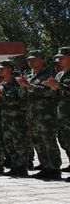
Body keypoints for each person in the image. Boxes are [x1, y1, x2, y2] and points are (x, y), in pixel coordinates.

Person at [19, 50, 61, 180]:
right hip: (32, 115)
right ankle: (45, 167)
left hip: (46, 115)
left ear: (42, 59)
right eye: (29, 60)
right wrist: (23, 88)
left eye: (34, 59)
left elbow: (50, 92)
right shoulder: (28, 75)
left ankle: (54, 169)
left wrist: (29, 86)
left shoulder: (50, 74)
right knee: (38, 142)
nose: (31, 62)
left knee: (49, 142)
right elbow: (22, 95)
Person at [0, 60, 31, 177]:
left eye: (2, 68)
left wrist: (1, 96)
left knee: (20, 144)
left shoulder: (18, 82)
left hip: (17, 119)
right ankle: (15, 165)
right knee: (9, 144)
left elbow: (21, 99)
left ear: (9, 69)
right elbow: (0, 103)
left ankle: (22, 167)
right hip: (6, 120)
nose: (0, 70)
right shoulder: (2, 84)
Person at [43, 47, 70, 177]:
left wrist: (59, 86)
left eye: (62, 57)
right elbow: (54, 95)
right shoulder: (59, 75)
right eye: (58, 57)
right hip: (61, 114)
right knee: (65, 141)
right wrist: (52, 88)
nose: (59, 60)